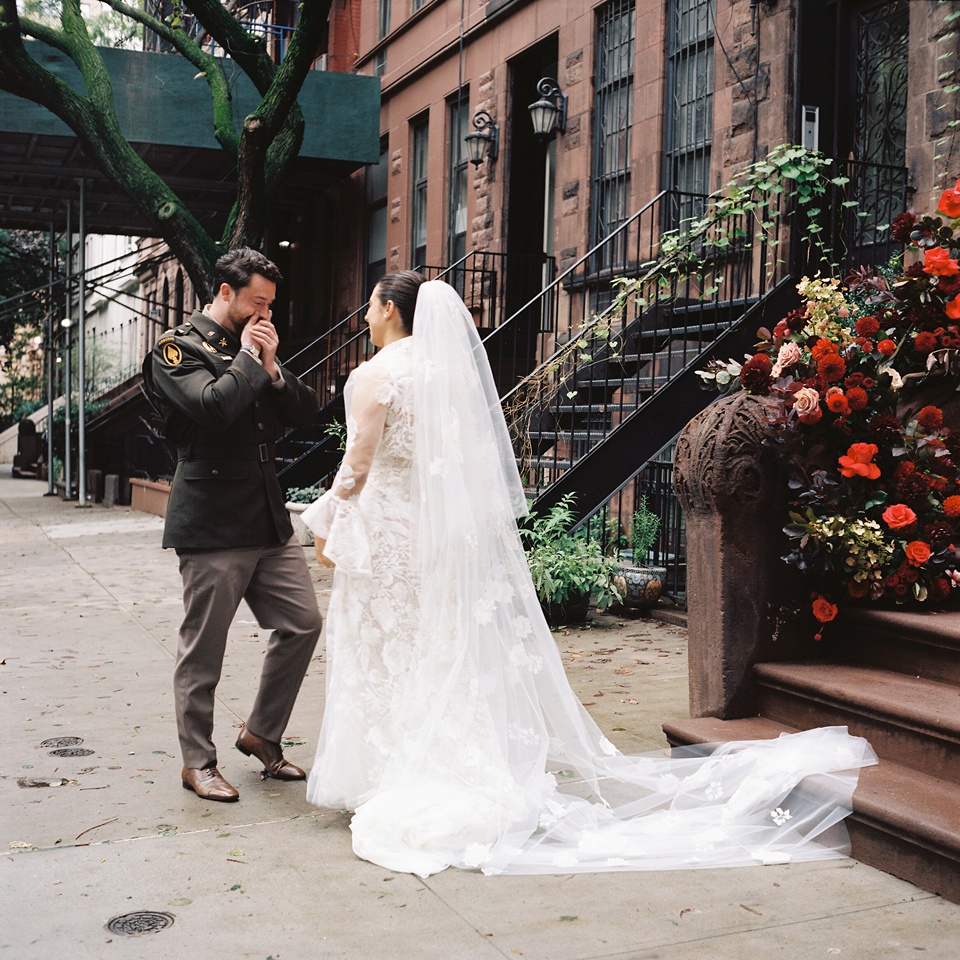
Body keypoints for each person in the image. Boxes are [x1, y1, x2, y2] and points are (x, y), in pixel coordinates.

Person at [301, 273, 876, 877]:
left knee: (387, 646)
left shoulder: (374, 375)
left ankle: (392, 770)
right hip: (437, 541)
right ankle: (437, 758)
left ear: (390, 309)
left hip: (390, 537)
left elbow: (355, 465)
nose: (364, 316)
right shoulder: (447, 376)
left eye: (369, 305)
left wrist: (327, 523)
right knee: (431, 644)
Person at [143, 247, 323, 802]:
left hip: (267, 518)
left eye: (271, 303)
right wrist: (249, 359)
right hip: (213, 521)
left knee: (303, 622)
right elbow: (215, 408)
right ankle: (197, 762)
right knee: (205, 648)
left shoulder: (254, 349)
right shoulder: (177, 349)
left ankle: (262, 734)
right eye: (257, 302)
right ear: (226, 293)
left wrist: (272, 372)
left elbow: (308, 413)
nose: (266, 314)